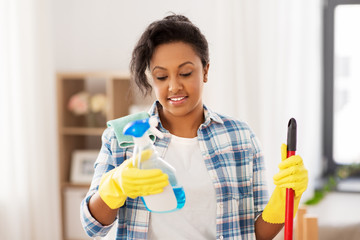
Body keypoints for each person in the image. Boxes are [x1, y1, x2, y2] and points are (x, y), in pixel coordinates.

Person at [80, 14, 308, 240]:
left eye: (186, 73)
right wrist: (114, 187)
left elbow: (255, 234)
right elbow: (93, 227)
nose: (174, 86)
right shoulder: (122, 136)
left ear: (205, 71)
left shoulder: (239, 137)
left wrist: (283, 201)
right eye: (161, 76)